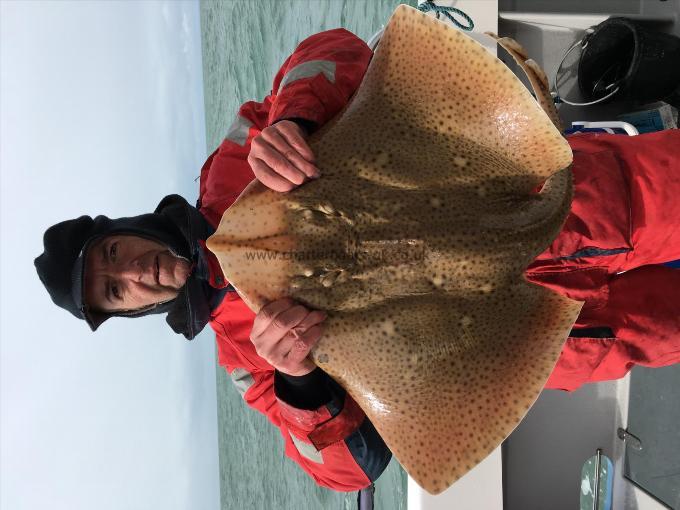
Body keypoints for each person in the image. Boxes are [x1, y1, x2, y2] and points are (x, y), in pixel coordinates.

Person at [35, 27, 680, 491]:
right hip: (547, 335)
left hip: (565, 200)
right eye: (113, 291)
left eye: (113, 254)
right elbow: (351, 472)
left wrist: (297, 121)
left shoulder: (235, 163)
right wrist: (299, 382)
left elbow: (332, 52)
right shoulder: (246, 359)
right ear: (129, 311)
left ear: (122, 228)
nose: (131, 274)